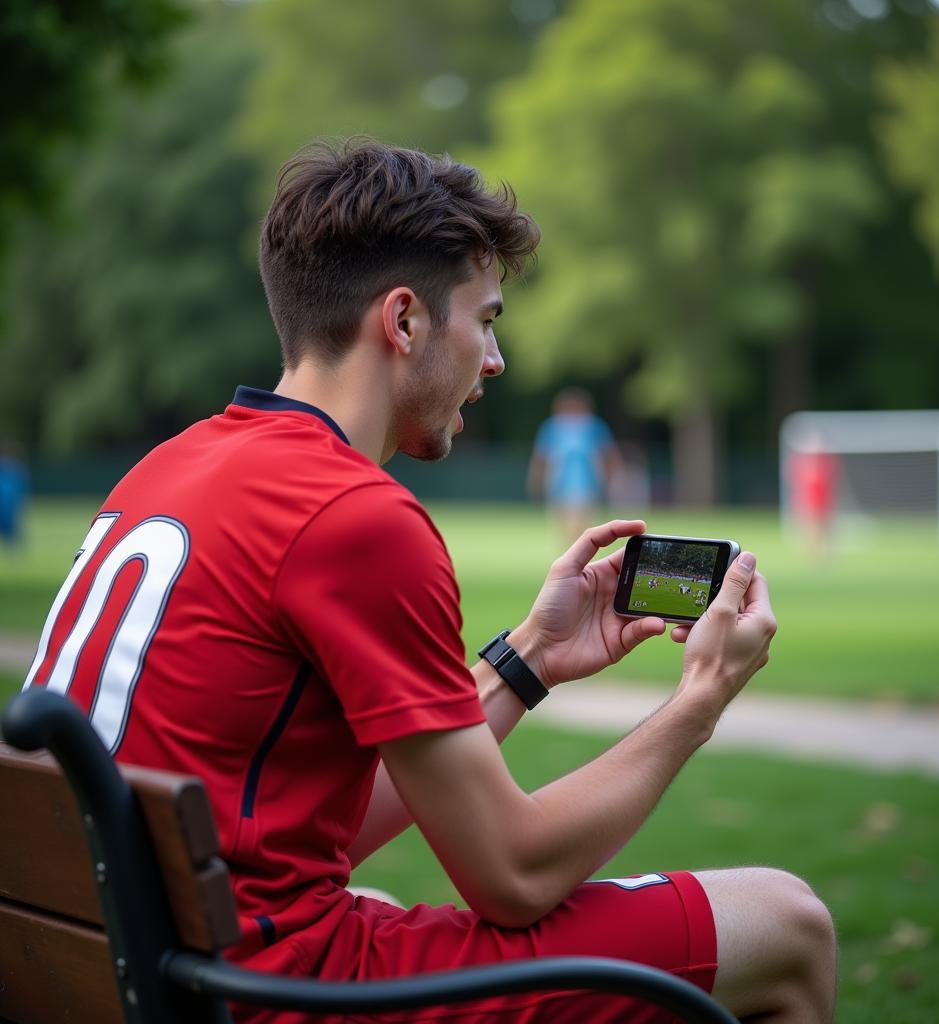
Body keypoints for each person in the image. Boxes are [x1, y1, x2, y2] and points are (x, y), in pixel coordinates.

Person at [21, 139, 835, 1023]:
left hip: (118, 973)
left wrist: (528, 658)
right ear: (403, 321)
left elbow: (311, 836)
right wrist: (701, 698)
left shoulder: (168, 468)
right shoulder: (353, 516)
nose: (495, 360)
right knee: (788, 924)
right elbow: (514, 876)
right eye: (484, 319)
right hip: (253, 996)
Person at [527, 387, 621, 546]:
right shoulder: (552, 428)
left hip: (588, 485)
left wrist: (611, 482)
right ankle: (572, 559)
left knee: (583, 527)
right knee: (566, 528)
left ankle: (579, 559)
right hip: (559, 486)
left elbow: (608, 455)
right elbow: (541, 458)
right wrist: (536, 481)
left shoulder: (594, 427)